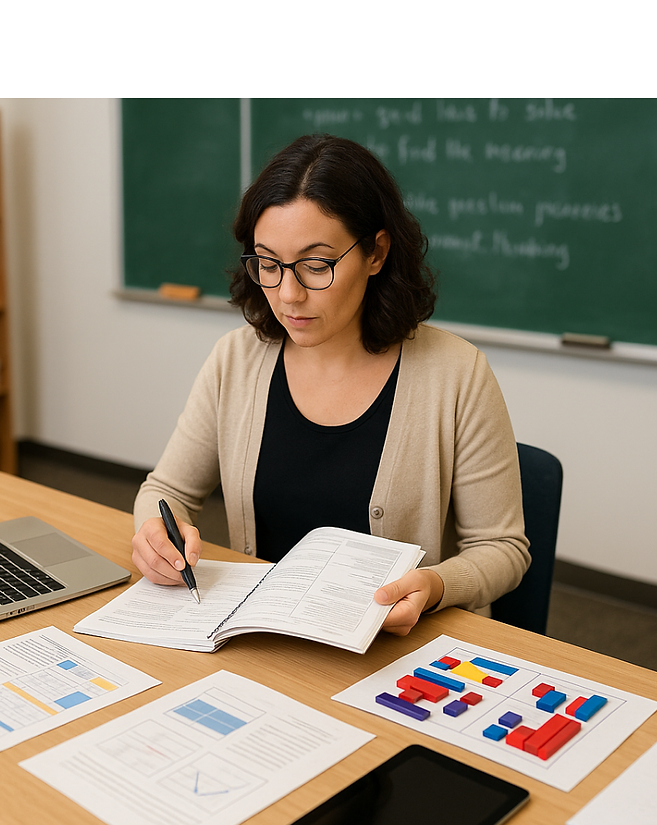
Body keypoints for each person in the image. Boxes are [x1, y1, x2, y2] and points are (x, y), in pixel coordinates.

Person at [132, 134, 529, 636]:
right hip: (265, 643)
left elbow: (504, 550)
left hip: (393, 650)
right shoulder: (236, 359)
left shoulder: (456, 373)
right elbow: (165, 491)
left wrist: (434, 585)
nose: (289, 294)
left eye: (316, 265)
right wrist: (153, 533)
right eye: (268, 265)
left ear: (376, 253)